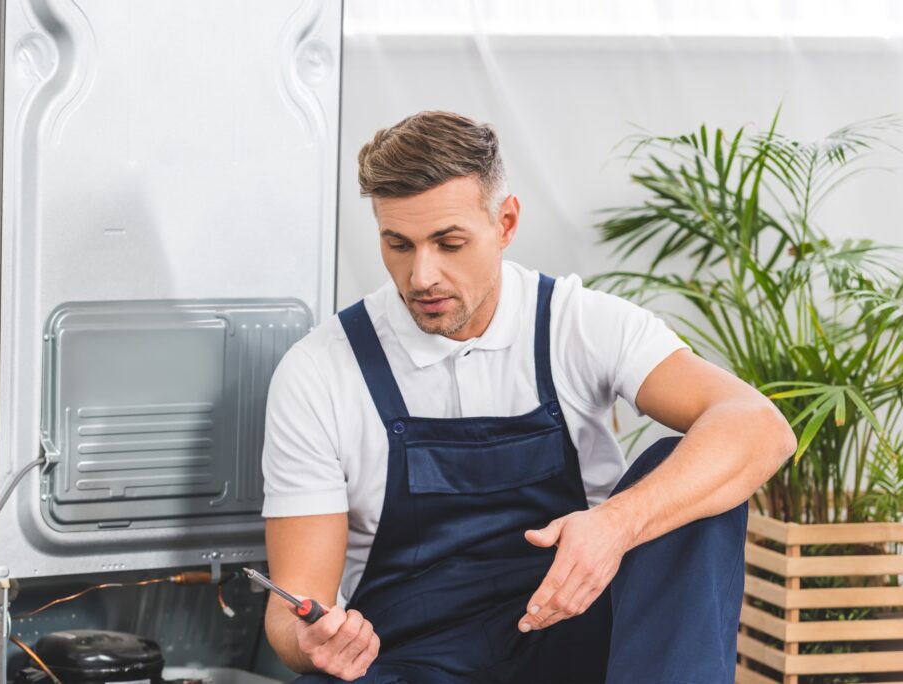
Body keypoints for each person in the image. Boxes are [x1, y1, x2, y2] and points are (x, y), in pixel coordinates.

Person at [259, 111, 796, 684]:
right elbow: (292, 611)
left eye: (449, 242)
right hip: (410, 660)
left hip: (578, 640)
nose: (421, 276)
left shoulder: (575, 323)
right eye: (399, 244)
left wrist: (616, 524)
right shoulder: (318, 371)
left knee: (684, 469)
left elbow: (759, 426)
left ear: (506, 222)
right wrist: (312, 639)